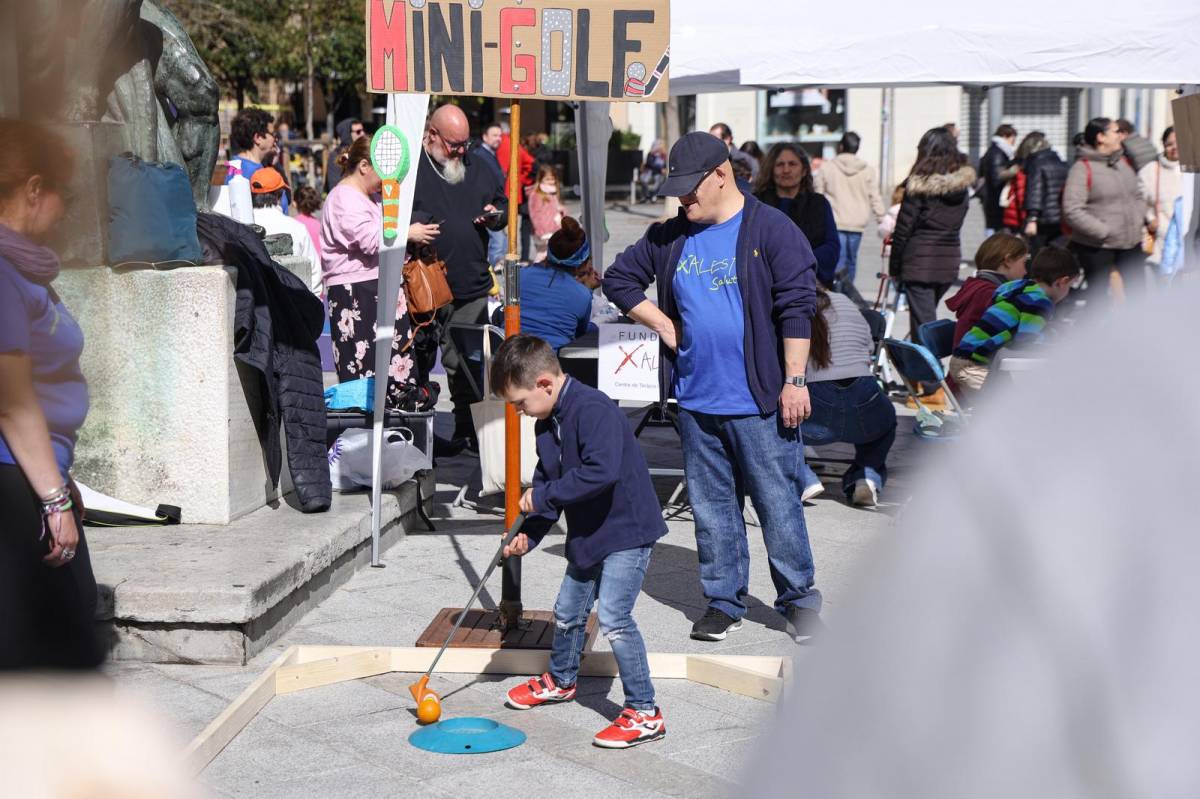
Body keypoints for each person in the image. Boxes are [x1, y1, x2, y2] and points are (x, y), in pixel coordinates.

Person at [603, 131, 824, 644]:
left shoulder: (772, 229)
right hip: (696, 400)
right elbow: (618, 280)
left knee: (778, 505)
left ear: (721, 175)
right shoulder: (670, 235)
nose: (682, 199)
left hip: (760, 400)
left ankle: (798, 601)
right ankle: (723, 601)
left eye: (689, 188)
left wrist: (795, 381)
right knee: (712, 510)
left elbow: (798, 307)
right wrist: (662, 323)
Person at [492, 335, 667, 748]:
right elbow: (548, 485)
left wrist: (544, 497)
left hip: (627, 531)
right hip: (589, 532)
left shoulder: (593, 409)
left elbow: (600, 472)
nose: (518, 411)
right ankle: (561, 679)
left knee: (615, 618)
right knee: (568, 611)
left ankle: (645, 713)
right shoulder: (546, 422)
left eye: (519, 402)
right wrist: (528, 535)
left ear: (544, 384)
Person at [0, 118, 104, 669]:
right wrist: (53, 498)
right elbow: (12, 401)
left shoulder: (22, 269)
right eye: (67, 194)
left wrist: (59, 477)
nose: (68, 212)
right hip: (12, 482)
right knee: (55, 641)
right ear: (35, 189)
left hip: (32, 474)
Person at [411, 104, 509, 450]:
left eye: (465, 143)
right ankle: (419, 432)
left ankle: (467, 429)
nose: (460, 151)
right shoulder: (413, 167)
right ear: (433, 134)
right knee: (418, 362)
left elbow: (503, 206)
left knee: (467, 365)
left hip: (470, 284)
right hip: (423, 287)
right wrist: (411, 231)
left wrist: (495, 216)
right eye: (454, 144)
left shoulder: (478, 164)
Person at [321, 136, 440, 406]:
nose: (387, 181)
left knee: (392, 375)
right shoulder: (343, 197)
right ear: (364, 166)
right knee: (364, 378)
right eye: (384, 172)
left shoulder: (371, 198)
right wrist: (408, 233)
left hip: (375, 290)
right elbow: (369, 240)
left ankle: (393, 420)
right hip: (356, 295)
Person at [799, 288, 897, 508]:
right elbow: (869, 348)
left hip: (813, 409)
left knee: (770, 424)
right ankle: (866, 475)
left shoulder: (789, 302)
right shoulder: (842, 300)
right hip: (863, 392)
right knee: (886, 421)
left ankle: (800, 477)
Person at [948, 245, 1080, 394]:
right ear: (1062, 282)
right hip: (974, 367)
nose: (1069, 291)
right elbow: (1026, 340)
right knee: (1016, 399)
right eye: (1070, 286)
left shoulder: (1020, 288)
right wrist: (1056, 336)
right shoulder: (1040, 302)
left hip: (964, 359)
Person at [889, 127, 976, 338]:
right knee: (926, 320)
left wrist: (895, 266)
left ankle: (928, 359)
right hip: (949, 261)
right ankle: (926, 354)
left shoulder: (918, 185)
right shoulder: (962, 188)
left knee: (924, 326)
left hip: (919, 262)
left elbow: (903, 229)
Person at [1063, 117, 1146, 307]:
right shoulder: (1082, 168)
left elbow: (1138, 194)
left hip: (1131, 242)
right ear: (1100, 137)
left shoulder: (1122, 162)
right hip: (1098, 246)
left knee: (1139, 295)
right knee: (1098, 301)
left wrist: (1139, 218)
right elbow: (1072, 209)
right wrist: (1103, 231)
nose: (1120, 136)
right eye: (1115, 132)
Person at [755, 142, 841, 287]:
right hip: (765, 285)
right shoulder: (757, 204)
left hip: (811, 284)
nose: (786, 170)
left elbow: (831, 246)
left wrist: (800, 262)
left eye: (792, 164)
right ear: (771, 169)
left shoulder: (819, 203)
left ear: (804, 170)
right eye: (780, 165)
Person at [815, 131, 886, 284]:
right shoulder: (867, 170)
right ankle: (848, 291)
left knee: (836, 259)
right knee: (851, 260)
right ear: (857, 148)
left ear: (841, 146)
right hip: (858, 223)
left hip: (835, 220)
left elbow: (817, 193)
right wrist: (881, 218)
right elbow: (874, 196)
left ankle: (836, 290)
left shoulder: (827, 167)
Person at [518, 217, 596, 351]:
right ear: (581, 264)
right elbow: (580, 333)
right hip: (549, 361)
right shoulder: (583, 295)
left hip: (508, 356)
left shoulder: (519, 276)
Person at [945, 233, 1029, 349]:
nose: (1025, 271)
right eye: (1024, 263)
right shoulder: (991, 295)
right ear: (1008, 260)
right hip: (975, 359)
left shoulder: (977, 287)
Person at [250, 167, 320, 294]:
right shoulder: (297, 227)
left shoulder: (241, 225)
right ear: (279, 194)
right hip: (294, 299)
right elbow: (314, 272)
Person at [1139, 126, 1183, 279]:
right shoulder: (1150, 171)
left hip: (1188, 246)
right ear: (1163, 145)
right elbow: (1139, 201)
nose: (1175, 147)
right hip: (1160, 244)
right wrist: (1150, 219)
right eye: (1169, 144)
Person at [227, 107, 285, 213]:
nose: (275, 139)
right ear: (258, 138)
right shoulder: (254, 173)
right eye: (273, 134)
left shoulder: (233, 168)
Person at [1022, 137, 1070, 257]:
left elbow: (1035, 191)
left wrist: (1032, 218)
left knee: (1036, 254)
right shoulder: (1062, 163)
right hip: (1061, 216)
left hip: (1043, 218)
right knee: (1056, 254)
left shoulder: (1036, 164)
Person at [1001, 131, 1050, 235]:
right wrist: (1029, 219)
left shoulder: (1020, 164)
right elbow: (1022, 195)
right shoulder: (1027, 169)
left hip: (1014, 214)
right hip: (1019, 217)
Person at [474, 122, 508, 266]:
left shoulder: (490, 154)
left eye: (500, 136)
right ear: (485, 137)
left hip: (495, 204)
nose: (498, 139)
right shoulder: (479, 155)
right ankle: (494, 268)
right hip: (487, 206)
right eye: (494, 135)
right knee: (498, 243)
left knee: (500, 241)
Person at [979, 124, 1017, 235]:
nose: (1014, 141)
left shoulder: (995, 150)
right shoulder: (998, 152)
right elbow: (997, 178)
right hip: (996, 200)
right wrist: (1012, 172)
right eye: (1013, 138)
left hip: (992, 199)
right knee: (998, 232)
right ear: (1005, 136)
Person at [526, 164, 567, 263]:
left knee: (553, 254)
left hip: (554, 228)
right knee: (543, 254)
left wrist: (562, 211)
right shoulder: (536, 193)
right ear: (541, 179)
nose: (551, 181)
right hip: (544, 231)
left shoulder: (552, 192)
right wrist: (541, 231)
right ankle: (538, 270)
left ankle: (548, 270)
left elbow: (555, 208)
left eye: (553, 179)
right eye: (547, 179)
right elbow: (534, 214)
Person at [323, 118, 366, 194]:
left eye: (363, 130)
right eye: (358, 131)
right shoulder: (336, 155)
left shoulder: (364, 152)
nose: (363, 134)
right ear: (347, 134)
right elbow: (334, 185)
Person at [293, 185, 323, 264]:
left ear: (294, 203)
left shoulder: (294, 223)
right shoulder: (318, 224)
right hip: (318, 264)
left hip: (302, 265)